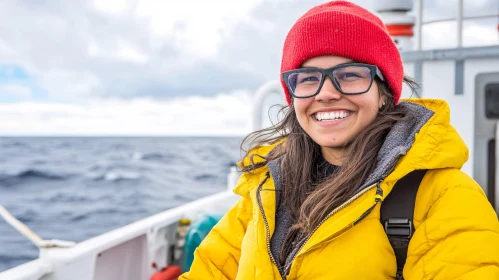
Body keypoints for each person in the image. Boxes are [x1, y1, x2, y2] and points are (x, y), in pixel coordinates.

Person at [180, 1, 499, 279]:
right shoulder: (264, 191)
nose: (327, 93)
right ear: (293, 96)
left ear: (384, 93)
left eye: (350, 75)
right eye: (308, 79)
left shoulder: (443, 197)